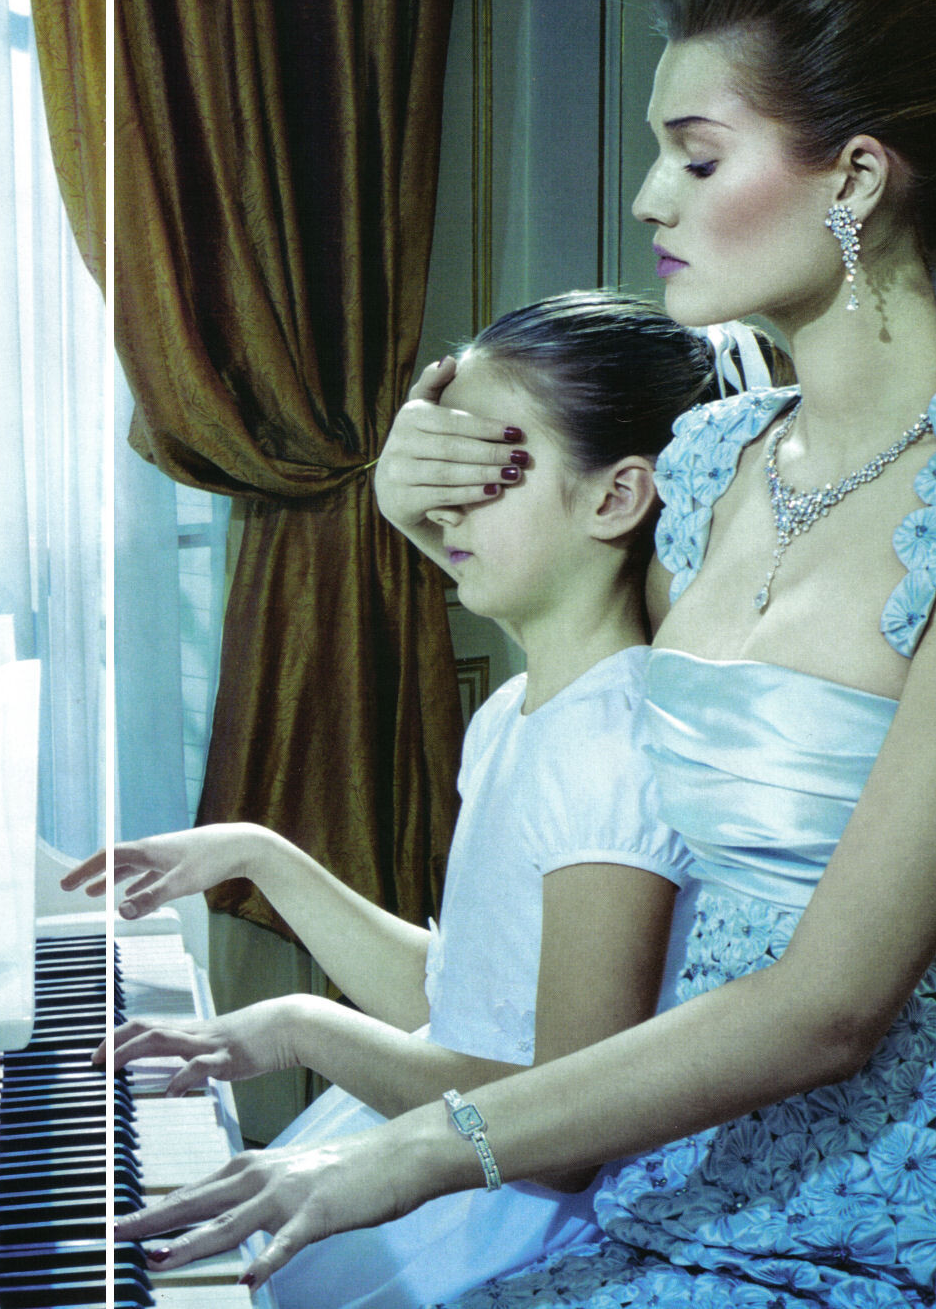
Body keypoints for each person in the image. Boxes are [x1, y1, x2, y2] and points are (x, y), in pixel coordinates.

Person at [117, 0, 936, 1305]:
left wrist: (419, 1146)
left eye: (698, 157)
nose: (648, 195)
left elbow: (830, 1006)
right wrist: (408, 505)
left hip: (911, 1212)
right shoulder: (713, 462)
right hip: (669, 1170)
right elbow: (575, 705)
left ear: (853, 177)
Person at [69, 294, 784, 1308]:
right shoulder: (517, 713)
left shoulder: (610, 746)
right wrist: (261, 853)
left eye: (484, 470)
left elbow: (561, 1135)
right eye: (434, 467)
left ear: (617, 496)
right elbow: (462, 1003)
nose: (443, 506)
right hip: (457, 1161)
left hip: (510, 1213)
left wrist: (304, 1027)